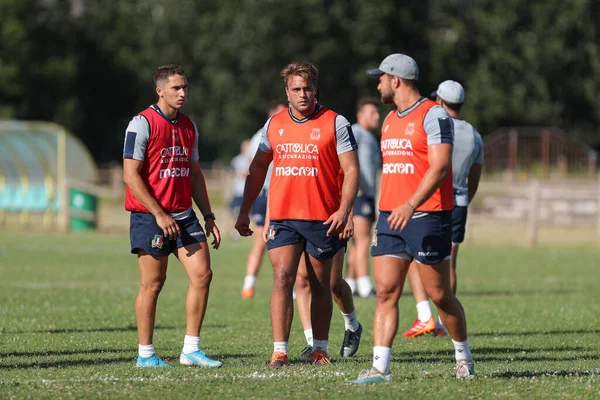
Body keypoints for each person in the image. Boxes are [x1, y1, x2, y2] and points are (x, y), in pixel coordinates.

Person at [349, 54, 474, 384]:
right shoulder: (389, 119)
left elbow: (440, 166)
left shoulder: (434, 116)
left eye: (381, 78)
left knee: (440, 295)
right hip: (390, 217)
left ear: (396, 80)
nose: (377, 84)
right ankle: (380, 368)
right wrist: (392, 207)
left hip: (427, 216)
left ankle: (463, 357)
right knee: (386, 291)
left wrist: (410, 204)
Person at [235, 61, 359, 367]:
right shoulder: (273, 125)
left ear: (315, 89)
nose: (302, 94)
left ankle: (319, 349)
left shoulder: (335, 123)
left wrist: (345, 210)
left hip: (323, 217)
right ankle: (280, 351)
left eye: (307, 88)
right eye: (296, 89)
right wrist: (244, 211)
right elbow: (257, 169)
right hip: (283, 217)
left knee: (319, 284)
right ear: (286, 92)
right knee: (282, 278)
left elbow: (352, 169)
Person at [123, 64, 222, 368]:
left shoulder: (189, 126)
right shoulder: (142, 123)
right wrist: (159, 213)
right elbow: (130, 175)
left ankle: (190, 350)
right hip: (149, 216)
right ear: (160, 90)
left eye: (185, 87)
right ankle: (146, 354)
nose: (182, 93)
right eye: (176, 88)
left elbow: (194, 173)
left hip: (184, 215)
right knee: (153, 283)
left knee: (203, 275)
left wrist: (208, 214)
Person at [403, 80, 484, 338]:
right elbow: (475, 178)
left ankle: (425, 316)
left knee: (414, 258)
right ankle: (444, 319)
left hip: (430, 201)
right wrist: (464, 200)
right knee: (450, 263)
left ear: (439, 101)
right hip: (458, 203)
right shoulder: (474, 134)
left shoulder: (433, 125)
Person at [241, 100, 289, 299]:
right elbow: (254, 166)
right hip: (266, 194)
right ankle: (249, 283)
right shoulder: (261, 135)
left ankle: (290, 284)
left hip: (287, 194)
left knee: (291, 242)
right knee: (261, 241)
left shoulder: (292, 130)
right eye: (281, 111)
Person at [344, 98, 381, 298]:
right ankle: (365, 284)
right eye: (372, 113)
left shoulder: (371, 137)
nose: (377, 116)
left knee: (357, 244)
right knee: (363, 239)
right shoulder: (356, 132)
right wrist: (356, 186)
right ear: (360, 115)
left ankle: (349, 283)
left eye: (377, 113)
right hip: (359, 195)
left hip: (368, 196)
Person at [229, 140, 251, 240]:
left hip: (249, 191)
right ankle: (235, 231)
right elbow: (240, 173)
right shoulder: (237, 160)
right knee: (236, 212)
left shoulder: (253, 158)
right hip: (239, 191)